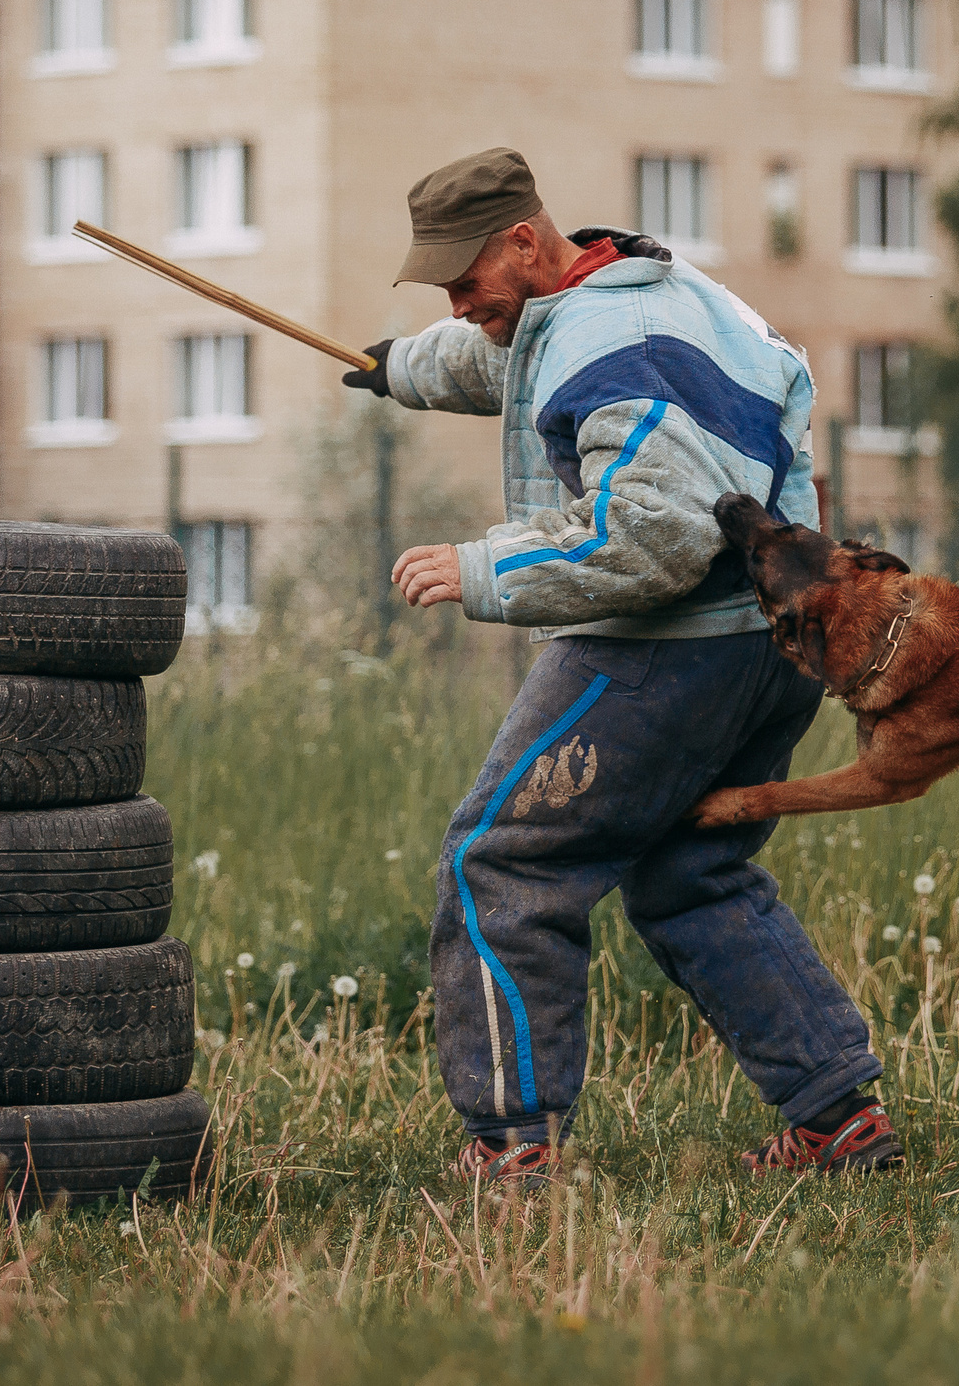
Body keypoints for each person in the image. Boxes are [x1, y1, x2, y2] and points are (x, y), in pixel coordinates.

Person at [343, 147, 902, 1187]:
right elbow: (505, 357)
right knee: (690, 869)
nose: (461, 303)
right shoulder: (651, 292)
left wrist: (481, 568)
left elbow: (649, 534)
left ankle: (511, 1147)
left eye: (466, 281)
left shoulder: (610, 346)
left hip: (666, 654)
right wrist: (398, 368)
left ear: (523, 240)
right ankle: (838, 1119)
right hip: (779, 642)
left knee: (499, 861)